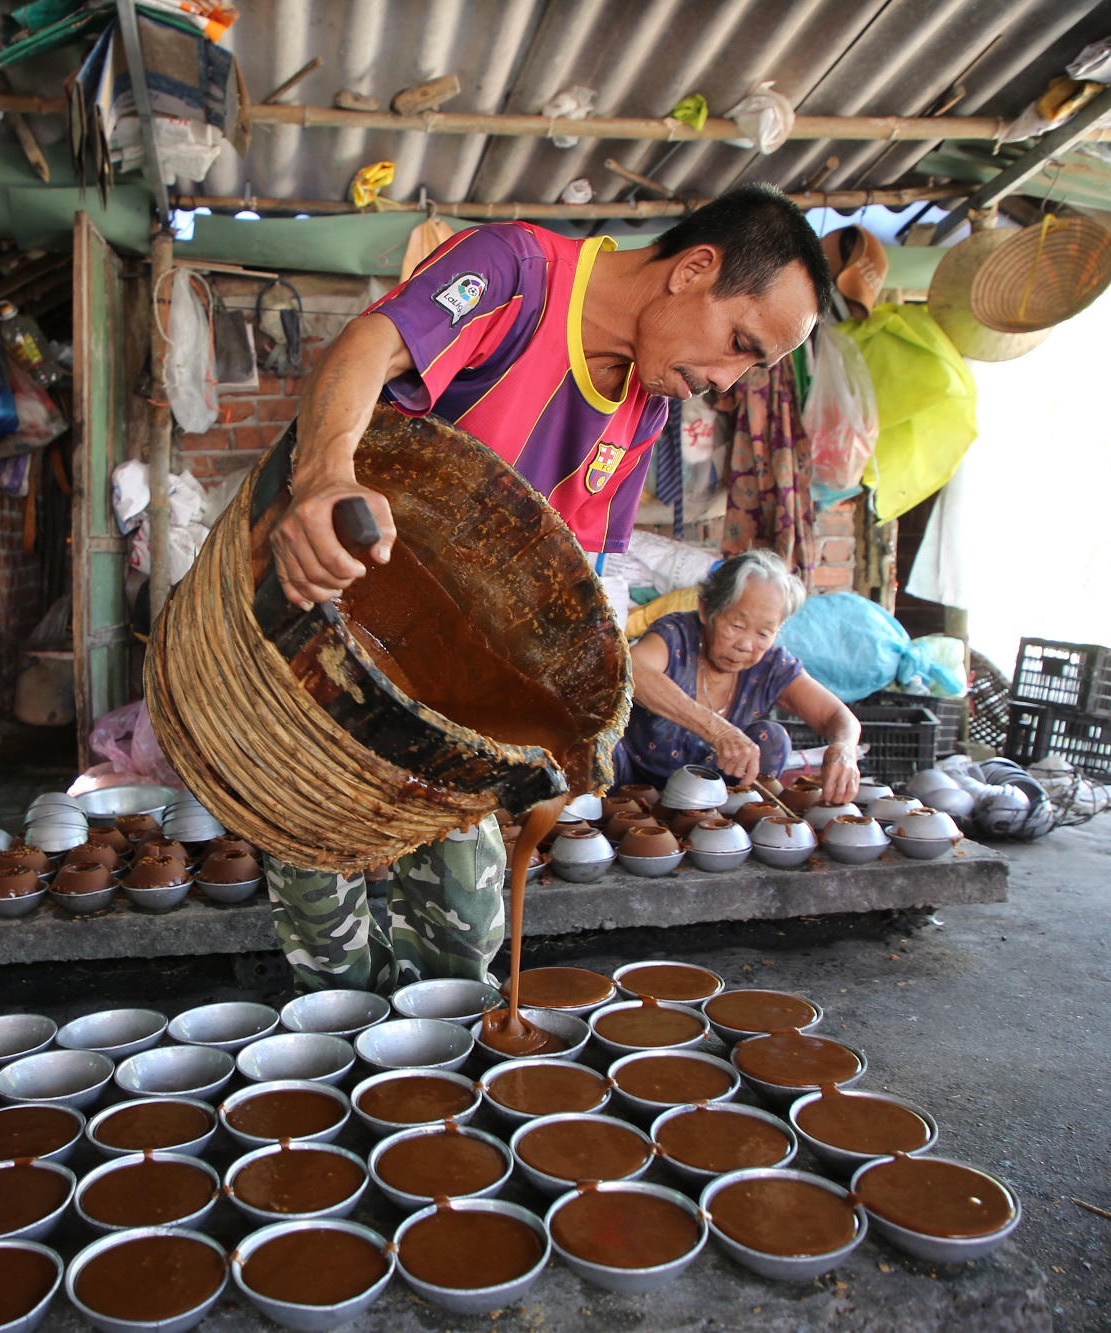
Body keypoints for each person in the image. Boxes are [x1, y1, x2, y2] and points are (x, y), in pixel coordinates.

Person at [262, 186, 836, 993]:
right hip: (335, 649)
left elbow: (591, 582)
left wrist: (591, 709)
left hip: (458, 701)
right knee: (333, 958)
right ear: (695, 269)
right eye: (739, 343)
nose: (728, 381)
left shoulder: (642, 414)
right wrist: (324, 475)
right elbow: (367, 347)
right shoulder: (517, 272)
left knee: (466, 939)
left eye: (752, 365)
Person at [618, 550, 862, 804]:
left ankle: (733, 825)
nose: (746, 645)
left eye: (764, 633)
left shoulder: (772, 663)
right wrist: (718, 730)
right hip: (635, 784)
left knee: (773, 739)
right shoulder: (676, 634)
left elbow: (838, 716)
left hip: (714, 795)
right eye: (736, 626)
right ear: (706, 610)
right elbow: (633, 670)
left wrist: (844, 749)